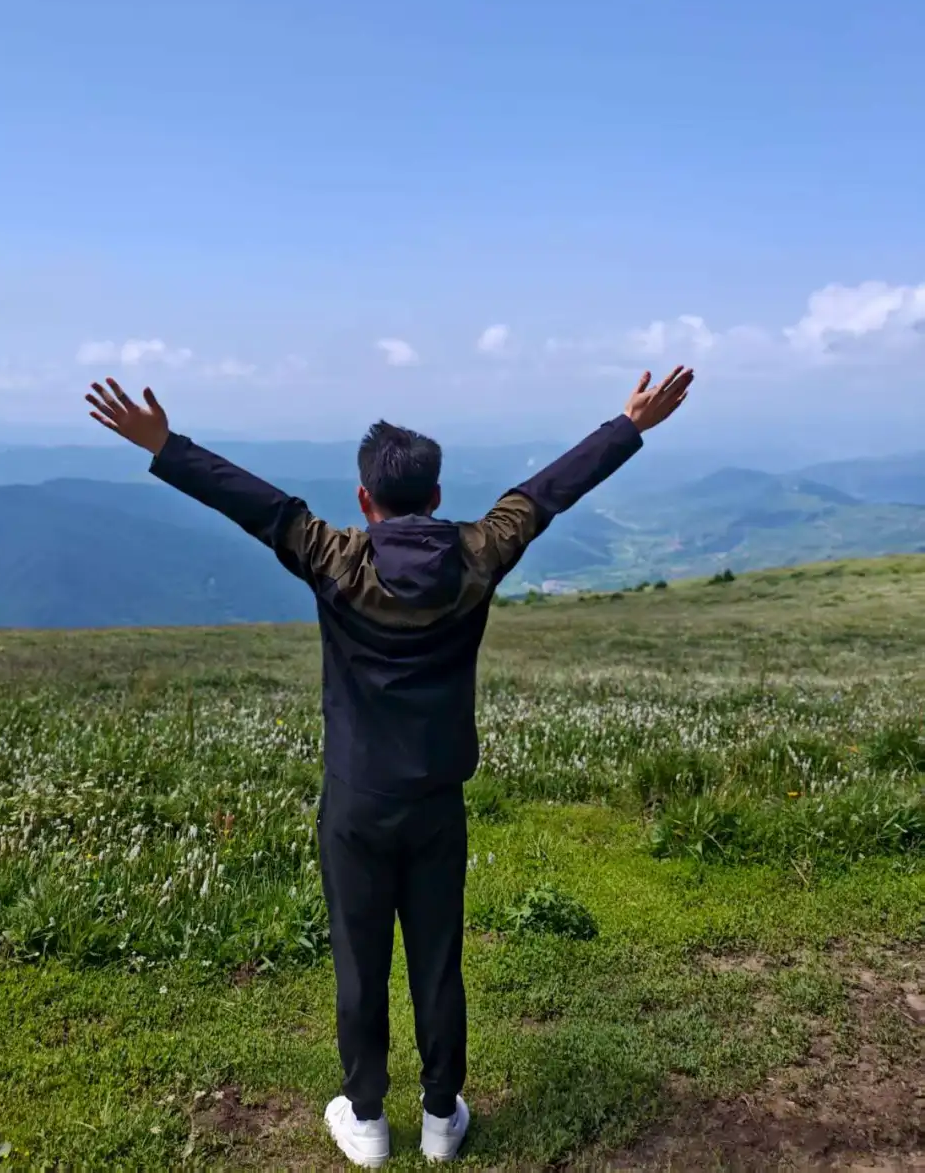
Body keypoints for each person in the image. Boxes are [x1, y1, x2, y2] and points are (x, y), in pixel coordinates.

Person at [85, 365, 693, 1166]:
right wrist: (629, 424)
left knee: (358, 955)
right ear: (437, 497)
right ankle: (443, 1116)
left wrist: (163, 445)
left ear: (366, 500)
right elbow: (546, 493)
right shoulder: (479, 554)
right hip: (438, 799)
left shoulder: (333, 557)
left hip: (357, 802)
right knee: (438, 958)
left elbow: (257, 503)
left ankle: (366, 1120)